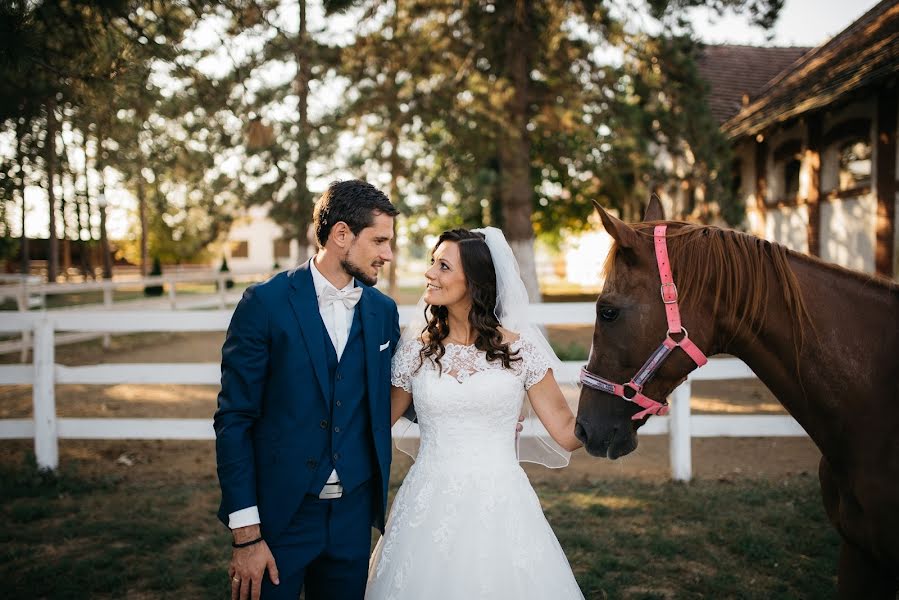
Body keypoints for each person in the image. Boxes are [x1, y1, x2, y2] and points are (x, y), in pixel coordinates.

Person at [366, 227, 585, 599]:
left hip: (500, 505)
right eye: (432, 262)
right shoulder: (416, 352)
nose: (430, 273)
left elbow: (566, 430)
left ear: (475, 282)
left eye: (444, 266)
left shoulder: (520, 351)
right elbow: (375, 422)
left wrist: (630, 411)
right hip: (426, 506)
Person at [214, 179, 400, 600]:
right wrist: (246, 534)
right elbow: (234, 419)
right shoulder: (264, 303)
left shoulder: (382, 311)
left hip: (353, 517)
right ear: (340, 235)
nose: (387, 254)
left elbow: (407, 392)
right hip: (280, 517)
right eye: (379, 241)